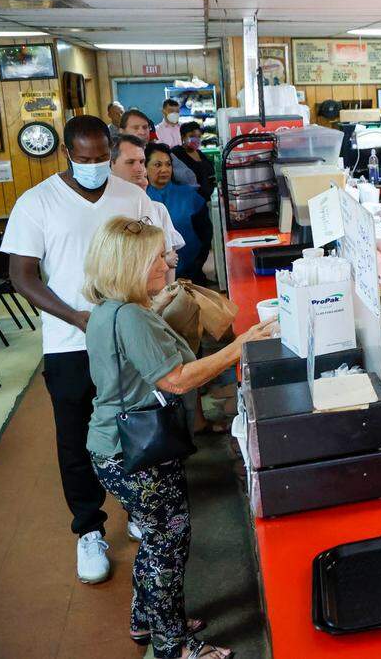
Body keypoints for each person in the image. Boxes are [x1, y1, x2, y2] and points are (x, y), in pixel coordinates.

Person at [82, 215, 276, 659]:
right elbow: (177, 380)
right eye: (156, 257)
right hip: (135, 450)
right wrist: (241, 343)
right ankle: (174, 645)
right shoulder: (131, 317)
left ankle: (146, 618)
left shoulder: (108, 310)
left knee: (155, 538)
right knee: (168, 543)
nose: (166, 264)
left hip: (110, 446)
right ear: (129, 264)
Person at [1, 114, 153, 584]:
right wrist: (76, 318)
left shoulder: (131, 196)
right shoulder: (37, 203)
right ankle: (89, 530)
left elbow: (152, 254)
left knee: (134, 426)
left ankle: (139, 508)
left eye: (100, 158)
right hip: (69, 341)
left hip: (127, 335)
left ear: (111, 150)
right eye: (82, 159)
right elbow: (21, 275)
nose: (92, 166)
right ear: (67, 153)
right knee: (75, 435)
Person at [111, 133, 184, 284]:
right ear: (111, 163)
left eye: (142, 162)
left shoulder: (156, 209)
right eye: (130, 162)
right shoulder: (107, 207)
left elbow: (169, 261)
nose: (139, 169)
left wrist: (168, 297)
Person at [145, 144, 211, 284]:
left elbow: (205, 233)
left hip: (191, 272)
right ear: (145, 168)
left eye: (168, 164)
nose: (164, 169)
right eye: (157, 165)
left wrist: (197, 264)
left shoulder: (189, 195)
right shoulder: (140, 199)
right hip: (153, 275)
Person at [123, 107, 198, 189]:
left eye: (145, 128)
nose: (142, 132)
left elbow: (187, 176)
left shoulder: (161, 152)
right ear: (122, 131)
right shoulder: (116, 158)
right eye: (135, 128)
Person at [173, 121, 217, 201]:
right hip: (188, 201)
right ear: (183, 137)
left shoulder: (200, 154)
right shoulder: (176, 154)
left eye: (198, 137)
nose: (196, 140)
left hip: (205, 200)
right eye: (192, 136)